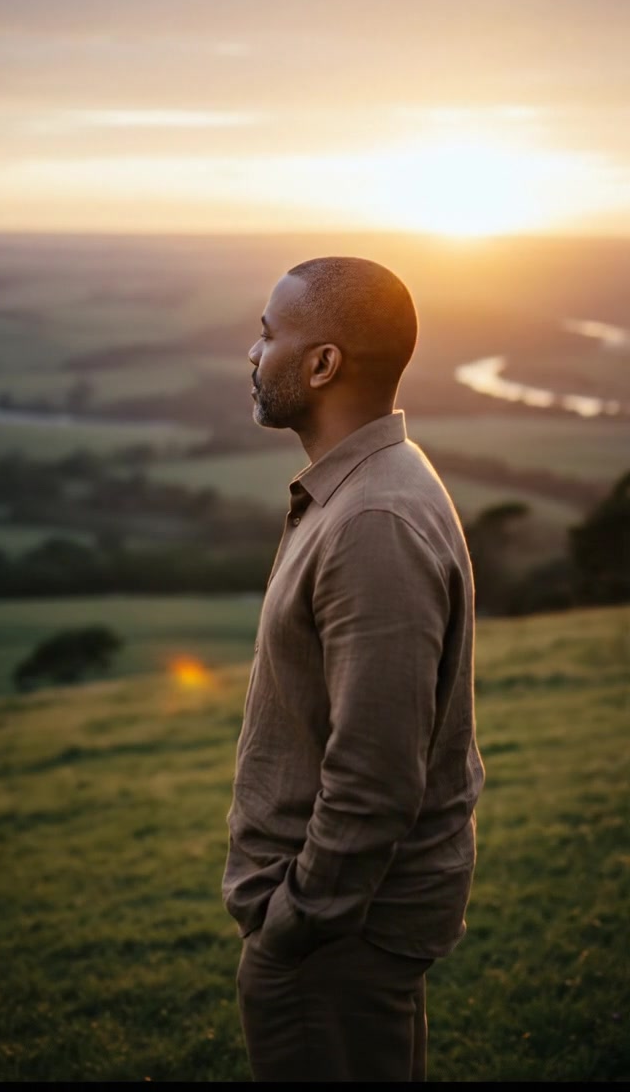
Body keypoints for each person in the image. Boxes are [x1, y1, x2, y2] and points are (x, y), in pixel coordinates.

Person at [222, 255, 484, 1083]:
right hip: (344, 931)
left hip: (339, 939)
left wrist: (296, 924)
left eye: (268, 335)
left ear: (322, 364)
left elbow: (375, 773)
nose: (252, 354)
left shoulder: (372, 520)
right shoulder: (368, 489)